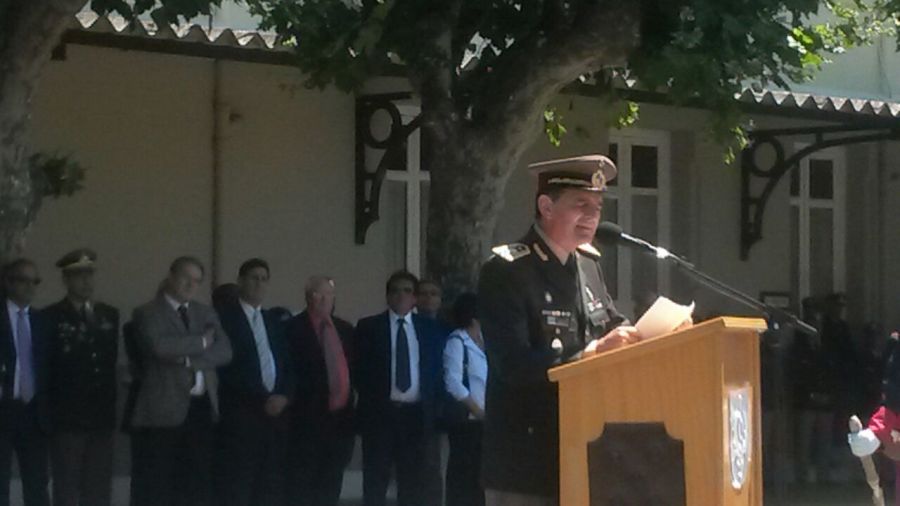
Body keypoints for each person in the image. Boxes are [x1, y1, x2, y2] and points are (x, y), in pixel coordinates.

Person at [478, 155, 643, 506]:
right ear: (546, 206)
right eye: (580, 203)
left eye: (597, 206)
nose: (592, 215)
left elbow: (611, 325)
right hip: (527, 462)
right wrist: (589, 355)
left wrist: (657, 335)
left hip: (588, 455)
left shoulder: (588, 264)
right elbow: (513, 364)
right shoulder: (507, 271)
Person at [129, 256, 232, 506]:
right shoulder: (147, 312)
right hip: (164, 409)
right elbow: (159, 347)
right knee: (159, 485)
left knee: (197, 483)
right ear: (172, 276)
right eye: (186, 278)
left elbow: (226, 351)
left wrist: (188, 361)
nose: (190, 285)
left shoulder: (204, 312)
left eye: (196, 281)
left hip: (201, 407)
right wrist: (202, 342)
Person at [354, 270, 444, 506]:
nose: (401, 295)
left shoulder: (430, 329)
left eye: (407, 291)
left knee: (413, 482)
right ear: (387, 296)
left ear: (415, 297)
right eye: (395, 290)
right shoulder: (369, 327)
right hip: (381, 414)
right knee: (376, 479)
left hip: (416, 415)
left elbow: (436, 371)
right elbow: (359, 370)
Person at [215, 259, 295, 506]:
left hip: (276, 417)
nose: (259, 283)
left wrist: (285, 396)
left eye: (264, 278)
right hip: (242, 415)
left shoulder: (273, 320)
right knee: (239, 484)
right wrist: (263, 398)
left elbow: (286, 365)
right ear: (240, 281)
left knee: (270, 484)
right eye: (253, 277)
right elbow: (226, 368)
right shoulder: (224, 319)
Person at [43, 249, 119, 506]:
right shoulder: (50, 316)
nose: (86, 282)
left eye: (89, 275)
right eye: (78, 276)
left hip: (101, 413)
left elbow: (108, 363)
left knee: (98, 487)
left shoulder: (108, 314)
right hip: (67, 416)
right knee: (67, 485)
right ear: (65, 280)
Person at [286, 276, 355, 506]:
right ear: (307, 297)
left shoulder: (345, 329)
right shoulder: (291, 329)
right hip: (305, 421)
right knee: (302, 487)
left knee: (331, 485)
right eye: (318, 293)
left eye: (329, 294)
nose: (324, 299)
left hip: (340, 422)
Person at [0, 259, 50, 506]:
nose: (30, 287)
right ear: (7, 282)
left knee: (37, 482)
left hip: (33, 411)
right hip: (3, 405)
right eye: (23, 280)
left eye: (35, 281)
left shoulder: (41, 320)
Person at [442, 292, 487, 506]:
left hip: (486, 422)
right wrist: (477, 410)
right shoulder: (457, 340)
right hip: (466, 420)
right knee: (463, 475)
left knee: (481, 477)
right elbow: (453, 382)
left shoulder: (485, 341)